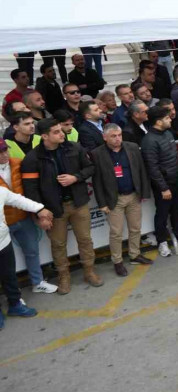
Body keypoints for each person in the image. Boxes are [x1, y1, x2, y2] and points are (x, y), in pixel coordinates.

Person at [22, 118, 99, 295]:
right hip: (53, 210)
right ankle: (64, 277)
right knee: (58, 245)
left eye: (61, 130)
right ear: (44, 136)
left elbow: (90, 168)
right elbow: (30, 190)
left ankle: (89, 271)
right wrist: (40, 211)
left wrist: (76, 177)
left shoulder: (75, 147)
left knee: (85, 239)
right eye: (56, 132)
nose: (61, 134)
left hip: (78, 203)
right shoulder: (32, 159)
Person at [91, 124, 153, 276]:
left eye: (119, 135)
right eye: (113, 136)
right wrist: (102, 203)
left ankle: (134, 254)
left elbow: (141, 170)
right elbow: (96, 181)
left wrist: (143, 192)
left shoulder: (132, 147)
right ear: (104, 137)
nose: (118, 138)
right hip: (114, 199)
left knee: (135, 228)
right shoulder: (97, 154)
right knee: (116, 233)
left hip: (133, 195)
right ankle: (117, 261)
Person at [0, 139, 57, 294]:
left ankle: (37, 282)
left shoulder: (18, 164)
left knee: (32, 251)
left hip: (23, 217)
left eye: (5, 150)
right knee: (4, 261)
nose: (4, 154)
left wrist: (37, 213)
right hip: (3, 223)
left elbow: (30, 191)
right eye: (0, 152)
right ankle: (11, 292)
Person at [0, 181, 54, 328]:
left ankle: (15, 305)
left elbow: (19, 200)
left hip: (3, 242)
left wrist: (39, 209)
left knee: (9, 276)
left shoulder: (1, 191)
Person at [141, 106, 178, 257]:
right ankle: (162, 242)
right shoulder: (149, 141)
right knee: (162, 213)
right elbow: (152, 168)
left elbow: (175, 155)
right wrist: (163, 188)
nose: (170, 119)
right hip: (163, 184)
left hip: (176, 179)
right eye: (167, 118)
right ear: (159, 121)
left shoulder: (168, 133)